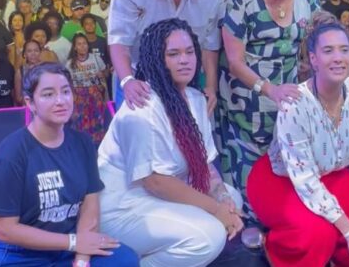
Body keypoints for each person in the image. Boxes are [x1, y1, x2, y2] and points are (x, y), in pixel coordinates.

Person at [98, 19, 243, 267]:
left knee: (233, 199)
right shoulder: (141, 107)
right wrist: (215, 210)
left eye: (189, 52)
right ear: (157, 59)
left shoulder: (197, 100)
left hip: (161, 197)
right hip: (125, 207)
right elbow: (155, 182)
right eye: (173, 54)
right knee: (209, 236)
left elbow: (206, 167)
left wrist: (220, 197)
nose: (184, 60)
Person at [247, 22, 349, 266]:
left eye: (344, 50)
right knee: (316, 231)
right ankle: (276, 247)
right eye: (328, 51)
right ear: (313, 59)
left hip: (329, 176)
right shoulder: (294, 104)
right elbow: (305, 180)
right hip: (282, 179)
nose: (338, 58)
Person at [0, 62, 139, 267]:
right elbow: (5, 230)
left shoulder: (82, 143)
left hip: (67, 246)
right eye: (48, 94)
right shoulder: (12, 152)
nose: (61, 101)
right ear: (31, 103)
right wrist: (74, 242)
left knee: (125, 259)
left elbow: (90, 203)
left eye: (66, 92)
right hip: (20, 253)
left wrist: (82, 258)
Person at [216, 0, 320, 219]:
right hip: (245, 104)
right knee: (246, 176)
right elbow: (235, 61)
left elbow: (322, 35)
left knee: (280, 172)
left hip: (285, 103)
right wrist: (269, 89)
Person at [66, 33, 108, 145]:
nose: (82, 46)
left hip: (95, 95)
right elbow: (68, 82)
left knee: (97, 121)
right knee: (80, 123)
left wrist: (102, 75)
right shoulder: (70, 64)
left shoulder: (95, 58)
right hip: (79, 97)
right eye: (79, 44)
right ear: (74, 47)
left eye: (84, 43)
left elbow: (105, 72)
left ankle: (98, 146)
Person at [14, 40, 42, 105]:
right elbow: (18, 98)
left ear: (40, 52)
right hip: (27, 108)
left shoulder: (47, 70)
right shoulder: (20, 72)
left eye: (36, 51)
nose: (33, 53)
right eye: (29, 51)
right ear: (24, 54)